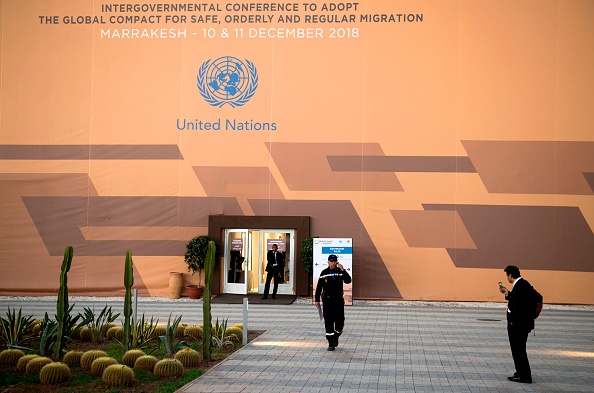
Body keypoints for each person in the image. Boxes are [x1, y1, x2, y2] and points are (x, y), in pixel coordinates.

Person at [499, 265, 534, 384]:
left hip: (519, 325)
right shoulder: (521, 285)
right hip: (519, 324)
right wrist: (508, 294)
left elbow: (519, 306)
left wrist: (513, 321)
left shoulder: (521, 286)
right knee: (517, 349)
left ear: (510, 275)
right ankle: (519, 372)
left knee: (519, 350)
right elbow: (517, 300)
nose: (507, 278)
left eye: (507, 275)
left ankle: (525, 376)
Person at [314, 254, 352, 351]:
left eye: (335, 261)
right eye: (331, 261)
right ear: (328, 262)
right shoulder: (324, 272)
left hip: (338, 300)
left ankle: (336, 335)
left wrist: (343, 269)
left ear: (337, 262)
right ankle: (331, 342)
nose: (333, 263)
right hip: (327, 300)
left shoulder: (340, 271)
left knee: (340, 321)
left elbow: (348, 280)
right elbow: (319, 287)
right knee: (329, 321)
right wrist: (316, 299)